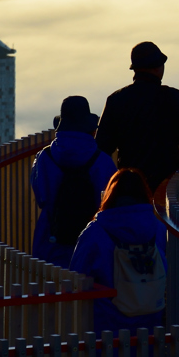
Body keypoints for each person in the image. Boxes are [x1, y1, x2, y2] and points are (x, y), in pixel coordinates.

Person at [70, 168, 168, 338]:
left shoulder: (95, 232)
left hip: (107, 327)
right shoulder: (158, 229)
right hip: (150, 322)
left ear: (110, 195)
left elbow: (76, 277)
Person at [96, 42, 179, 192]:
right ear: (158, 67)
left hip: (131, 186)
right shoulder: (171, 96)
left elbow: (102, 147)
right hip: (166, 184)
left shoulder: (116, 100)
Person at [30, 96, 117, 269]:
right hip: (92, 244)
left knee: (52, 290)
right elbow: (110, 204)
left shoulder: (44, 158)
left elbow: (41, 198)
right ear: (90, 129)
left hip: (51, 240)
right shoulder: (103, 161)